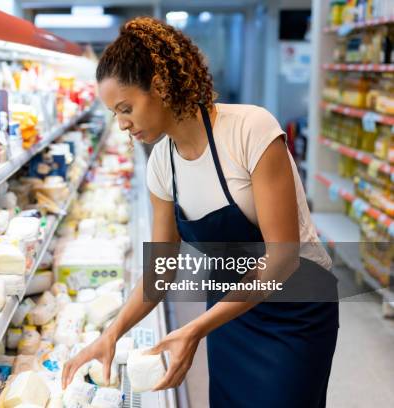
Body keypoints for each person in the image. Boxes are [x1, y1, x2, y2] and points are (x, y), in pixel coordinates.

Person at [61, 16, 339, 408]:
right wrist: (112, 333)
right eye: (114, 114)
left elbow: (283, 258)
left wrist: (196, 328)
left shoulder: (249, 129)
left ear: (158, 85)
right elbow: (160, 271)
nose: (122, 124)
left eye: (125, 108)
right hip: (229, 314)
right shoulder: (162, 164)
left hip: (296, 313)